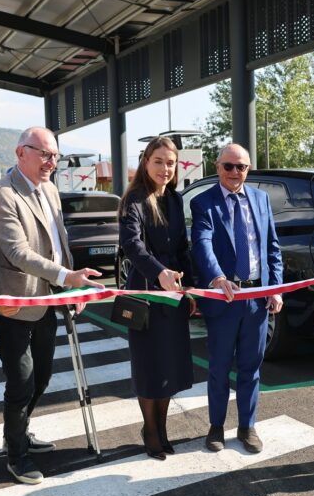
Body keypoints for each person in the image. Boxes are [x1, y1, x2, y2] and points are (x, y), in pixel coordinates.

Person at [0, 127, 102, 485]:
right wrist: (67, 277)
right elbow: (17, 252)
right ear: (21, 152)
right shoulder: (2, 194)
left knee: (42, 376)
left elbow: (59, 242)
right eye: (46, 154)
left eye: (56, 156)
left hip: (48, 300)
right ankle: (16, 455)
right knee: (21, 381)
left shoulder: (49, 189)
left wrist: (70, 288)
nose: (52, 162)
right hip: (15, 303)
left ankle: (18, 432)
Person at [190, 143, 283, 454]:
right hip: (224, 298)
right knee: (219, 367)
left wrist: (275, 288)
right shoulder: (204, 203)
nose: (234, 172)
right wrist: (217, 277)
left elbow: (272, 248)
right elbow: (202, 243)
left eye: (240, 166)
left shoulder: (261, 199)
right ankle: (216, 427)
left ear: (248, 169)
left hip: (257, 298)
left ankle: (247, 426)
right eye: (228, 166)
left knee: (250, 368)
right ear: (217, 167)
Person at [118, 136, 195, 460]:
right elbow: (132, 246)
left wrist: (191, 289)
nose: (165, 168)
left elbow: (182, 248)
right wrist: (159, 272)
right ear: (146, 162)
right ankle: (150, 431)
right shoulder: (134, 199)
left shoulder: (175, 199)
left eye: (170, 163)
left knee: (168, 367)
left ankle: (161, 429)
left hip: (174, 294)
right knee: (150, 367)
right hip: (146, 296)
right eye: (158, 161)